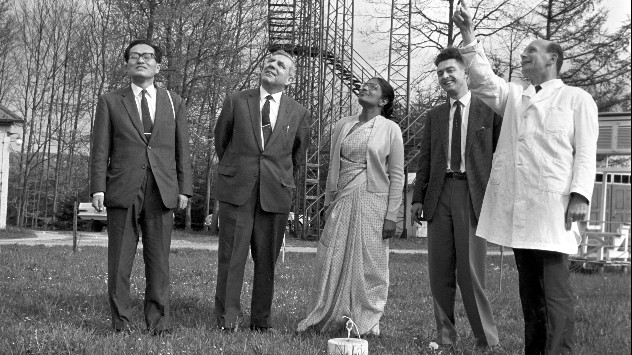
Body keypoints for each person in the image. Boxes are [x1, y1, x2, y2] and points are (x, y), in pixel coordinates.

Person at [453, 2, 598, 353]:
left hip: (554, 211)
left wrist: (580, 195)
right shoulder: (516, 96)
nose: (524, 55)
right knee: (530, 294)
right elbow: (483, 80)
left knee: (553, 292)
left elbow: (586, 151)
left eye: (532, 51)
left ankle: (558, 350)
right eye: (523, 52)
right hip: (522, 213)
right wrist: (468, 34)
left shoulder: (576, 99)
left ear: (553, 59)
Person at [90, 39, 192, 335]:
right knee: (120, 259)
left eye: (147, 56)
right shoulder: (110, 101)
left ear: (157, 66)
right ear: (127, 64)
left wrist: (184, 189)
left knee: (159, 261)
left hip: (162, 190)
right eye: (134, 56)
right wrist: (98, 187)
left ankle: (158, 323)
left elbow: (182, 149)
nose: (141, 60)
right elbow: (100, 149)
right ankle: (121, 322)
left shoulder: (175, 102)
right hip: (122, 188)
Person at [297, 77, 404, 337]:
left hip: (373, 200)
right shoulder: (343, 125)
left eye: (374, 87)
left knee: (370, 261)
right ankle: (327, 314)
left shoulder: (390, 129)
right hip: (341, 199)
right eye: (364, 84)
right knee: (330, 256)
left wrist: (392, 215)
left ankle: (365, 320)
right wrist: (327, 201)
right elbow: (333, 167)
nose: (365, 87)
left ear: (384, 101)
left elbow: (397, 174)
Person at [411, 47, 502, 348]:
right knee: (439, 272)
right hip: (439, 194)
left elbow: (501, 155)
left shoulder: (487, 109)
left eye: (450, 70)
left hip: (472, 194)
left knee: (470, 271)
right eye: (439, 73)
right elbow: (425, 159)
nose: (445, 76)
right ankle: (446, 338)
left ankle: (485, 339)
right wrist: (417, 198)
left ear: (465, 72)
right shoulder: (435, 115)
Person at [213, 50, 309, 332]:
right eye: (270, 62)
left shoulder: (299, 112)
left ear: (289, 79)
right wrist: (240, 170)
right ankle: (227, 320)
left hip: (275, 194)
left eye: (281, 65)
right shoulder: (236, 101)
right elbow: (222, 141)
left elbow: (297, 156)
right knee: (231, 258)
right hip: (237, 190)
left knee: (266, 261)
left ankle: (261, 322)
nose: (272, 66)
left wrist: (275, 177)